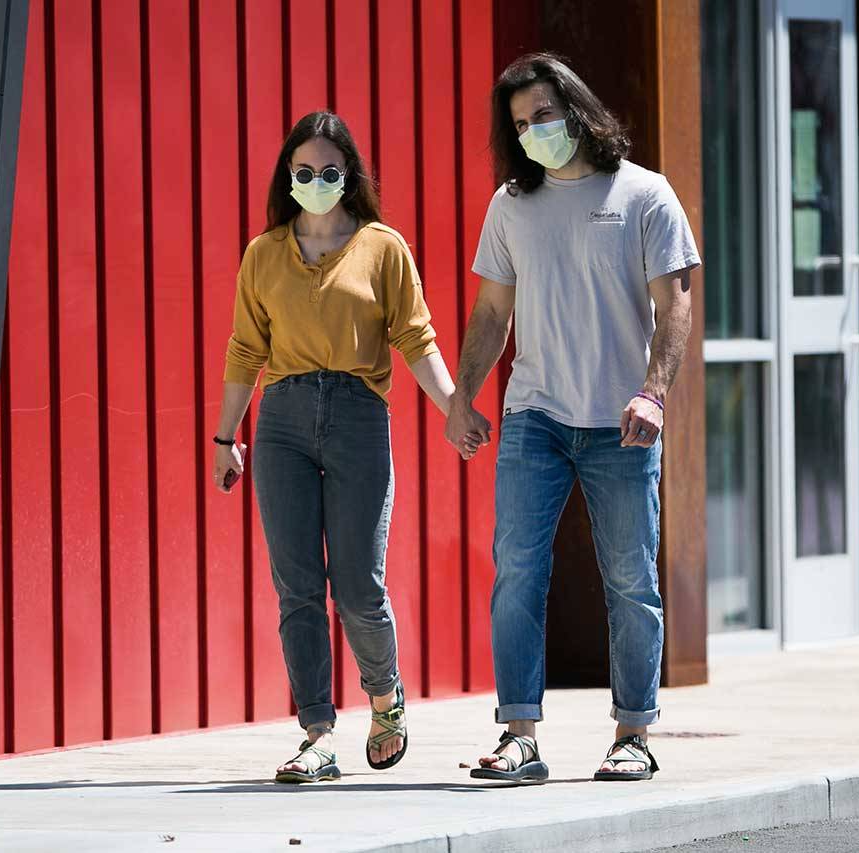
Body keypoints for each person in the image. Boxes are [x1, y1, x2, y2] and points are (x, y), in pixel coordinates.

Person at [446, 53, 701, 783]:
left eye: (543, 116)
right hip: (536, 415)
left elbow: (676, 302)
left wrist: (654, 392)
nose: (533, 132)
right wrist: (463, 397)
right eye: (520, 125)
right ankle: (519, 736)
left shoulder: (644, 193)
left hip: (623, 422)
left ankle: (633, 734)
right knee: (517, 573)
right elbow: (491, 312)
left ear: (578, 112)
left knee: (630, 579)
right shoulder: (511, 205)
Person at [213, 111, 482, 783]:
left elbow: (415, 337)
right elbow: (246, 349)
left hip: (358, 417)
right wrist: (225, 437)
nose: (316, 181)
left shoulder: (382, 247)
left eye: (329, 171)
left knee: (359, 583)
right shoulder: (263, 253)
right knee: (298, 586)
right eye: (303, 171)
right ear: (287, 175)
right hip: (282, 421)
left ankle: (385, 698)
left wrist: (455, 408)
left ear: (350, 175)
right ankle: (318, 733)